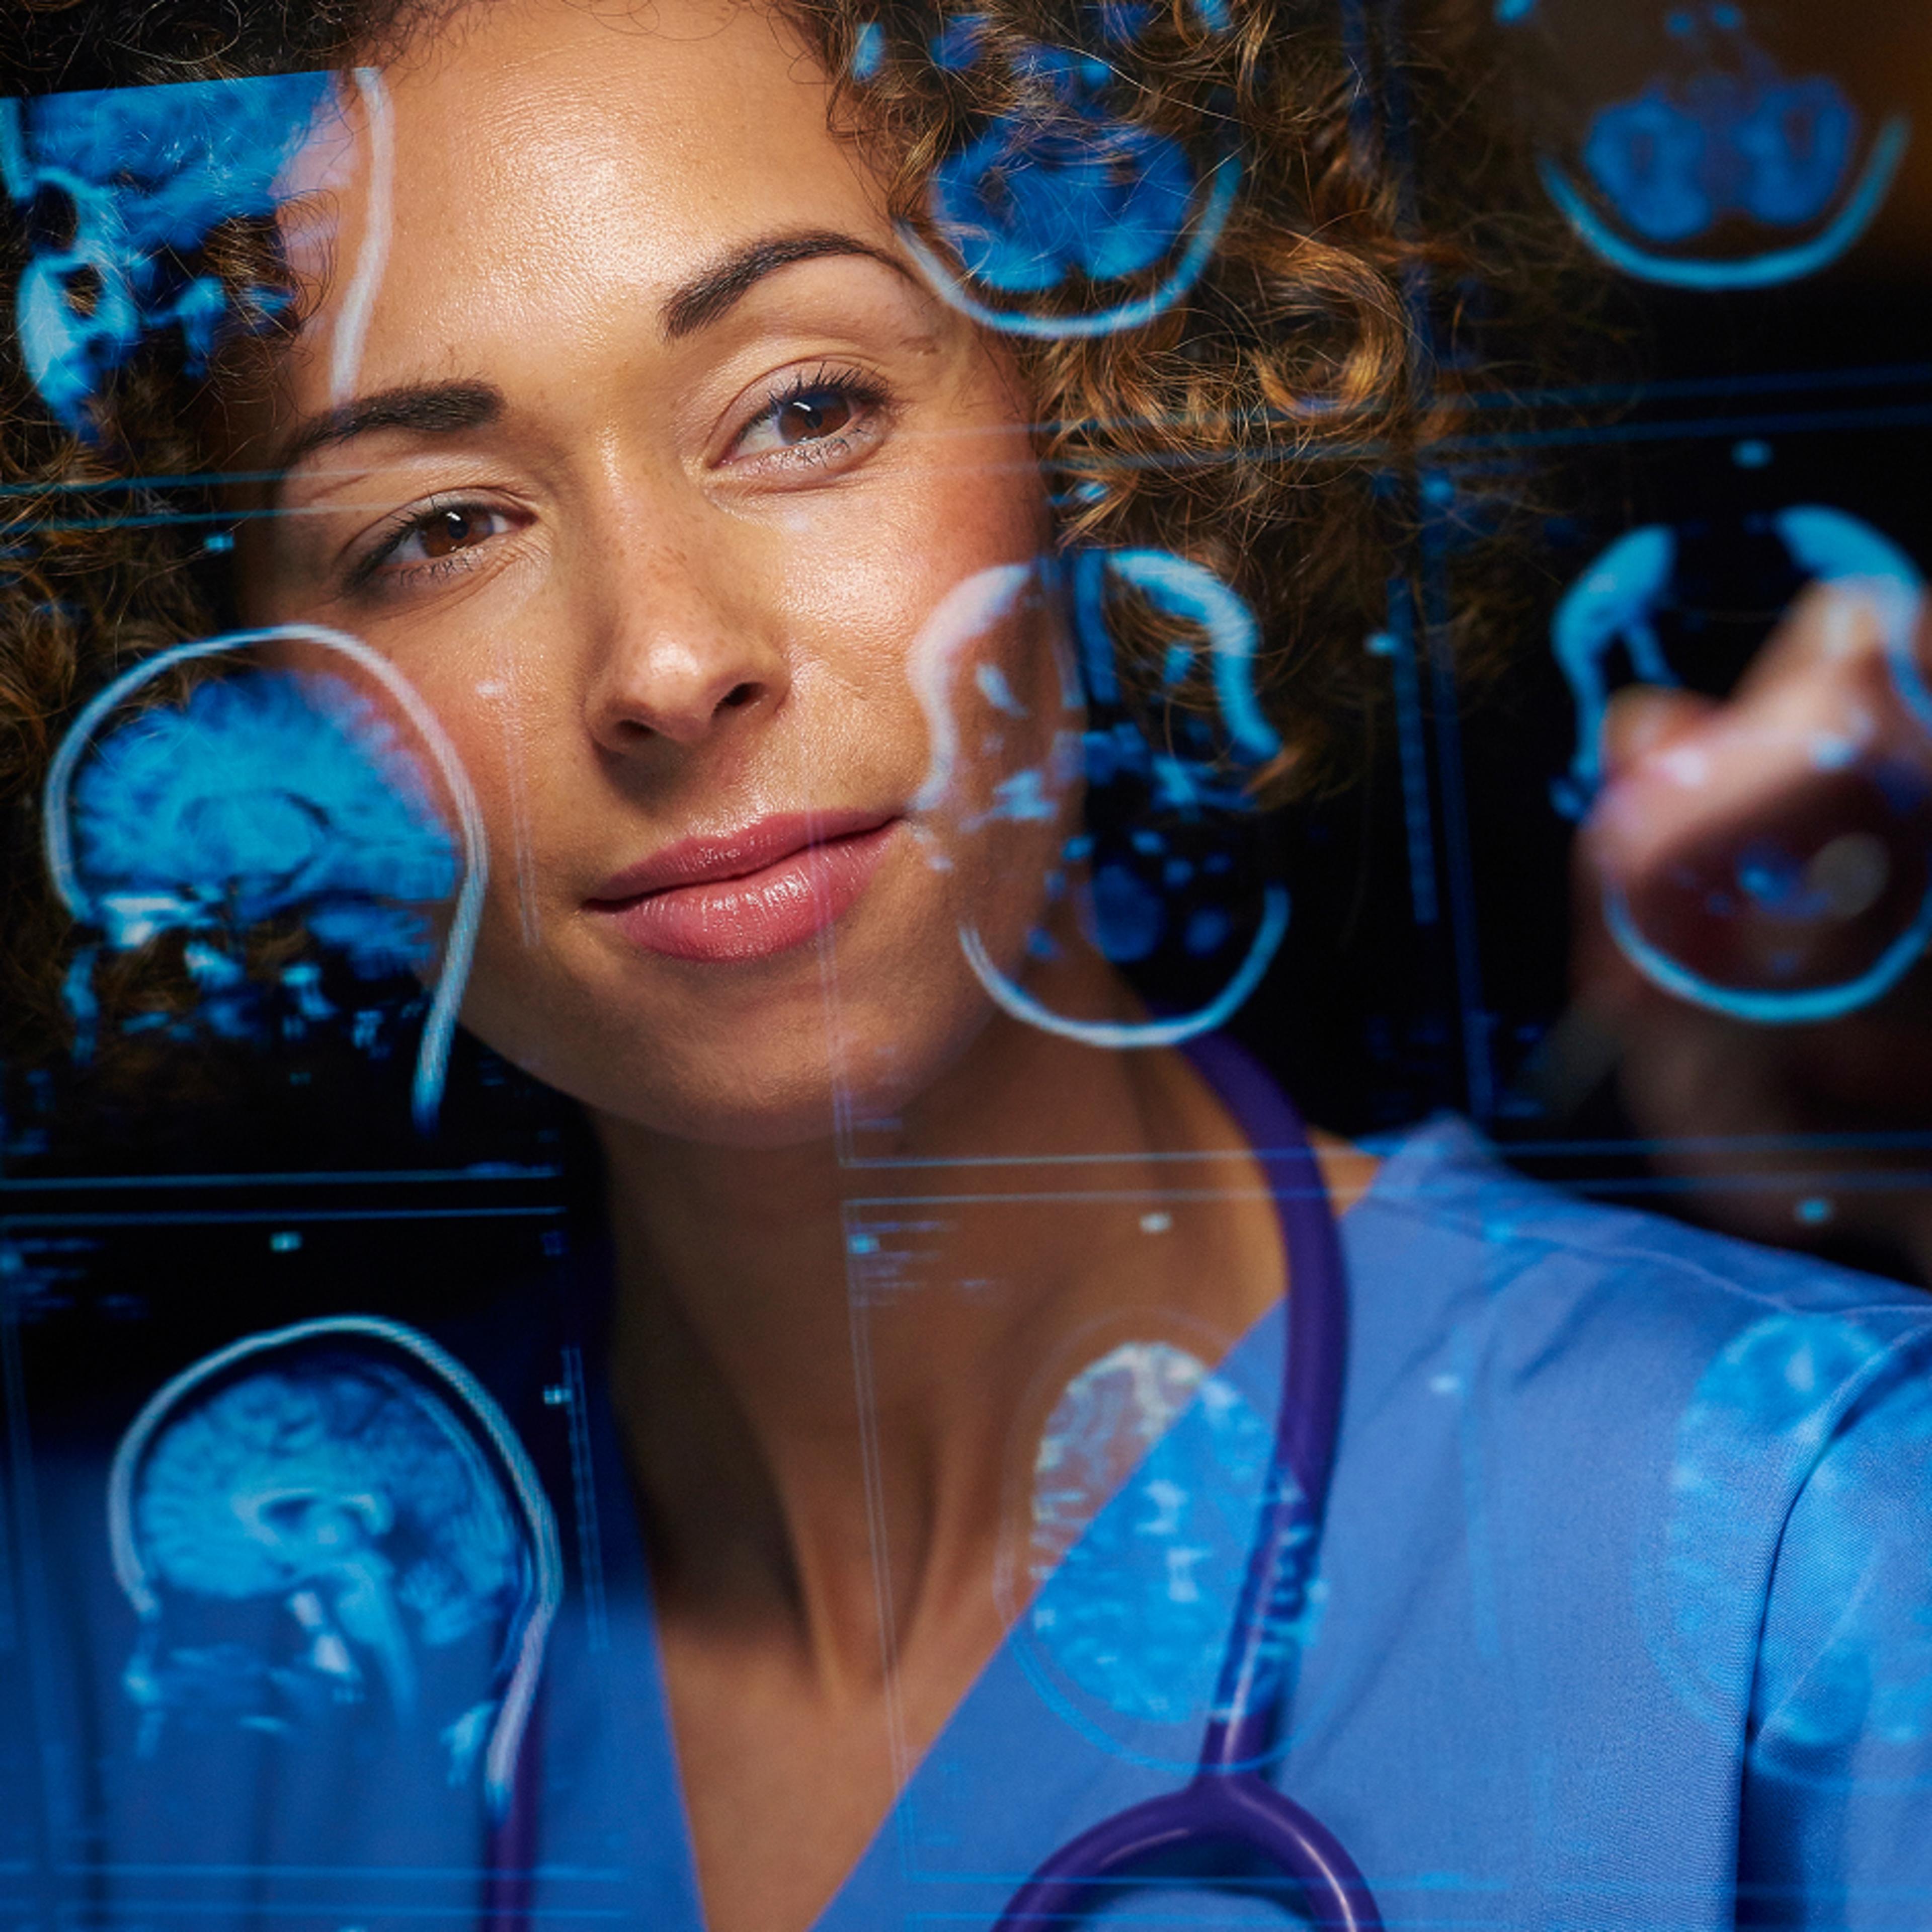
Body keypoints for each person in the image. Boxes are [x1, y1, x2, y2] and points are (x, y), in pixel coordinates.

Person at [3, 3, 1932, 1930]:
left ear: (1090, 413)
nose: (668, 664)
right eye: (440, 529)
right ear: (241, 710)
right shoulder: (134, 1655)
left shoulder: (1819, 1549)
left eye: (806, 408)